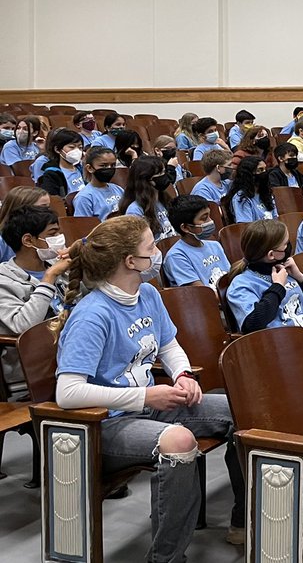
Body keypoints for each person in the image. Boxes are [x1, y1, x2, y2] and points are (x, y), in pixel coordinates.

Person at [51, 214, 245, 553]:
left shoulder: (147, 295)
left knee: (244, 409)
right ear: (130, 261)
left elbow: (168, 344)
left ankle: (243, 518)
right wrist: (144, 396)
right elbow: (67, 393)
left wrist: (183, 375)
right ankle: (166, 557)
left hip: (149, 407)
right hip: (106, 423)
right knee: (180, 441)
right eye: (151, 246)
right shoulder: (93, 315)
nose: (158, 253)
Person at [0, 205, 71, 394]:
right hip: (33, 381)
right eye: (53, 233)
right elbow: (21, 326)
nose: (59, 239)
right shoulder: (4, 281)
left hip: (72, 363)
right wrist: (48, 279)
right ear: (28, 240)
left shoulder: (61, 267)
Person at [227, 219, 303, 334]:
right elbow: (252, 323)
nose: (289, 247)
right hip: (279, 345)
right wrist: (278, 287)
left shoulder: (284, 270)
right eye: (285, 244)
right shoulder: (241, 284)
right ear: (271, 255)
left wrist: (300, 277)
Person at [164, 195, 231, 290]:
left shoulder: (215, 245)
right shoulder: (176, 256)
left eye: (209, 216)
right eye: (204, 218)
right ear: (185, 227)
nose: (211, 221)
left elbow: (231, 278)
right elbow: (202, 294)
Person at [118, 156, 177, 240]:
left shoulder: (163, 199)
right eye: (159, 174)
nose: (164, 176)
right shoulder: (135, 210)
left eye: (164, 172)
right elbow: (137, 242)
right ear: (146, 179)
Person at [0, 186, 51, 263]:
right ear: (21, 210)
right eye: (42, 208)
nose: (48, 213)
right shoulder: (2, 240)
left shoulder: (43, 234)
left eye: (48, 208)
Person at [72, 148, 123, 220]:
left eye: (113, 165)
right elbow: (83, 226)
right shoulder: (84, 197)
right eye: (103, 166)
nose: (109, 168)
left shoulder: (118, 189)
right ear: (90, 168)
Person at [223, 155, 277, 224]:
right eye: (260, 170)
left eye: (265, 169)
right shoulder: (241, 198)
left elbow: (276, 218)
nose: (264, 172)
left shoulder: (266, 193)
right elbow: (246, 226)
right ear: (249, 174)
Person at [36, 128, 87, 197]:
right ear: (57, 149)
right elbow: (54, 201)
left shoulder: (82, 168)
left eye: (80, 147)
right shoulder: (52, 174)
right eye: (72, 147)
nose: (77, 151)